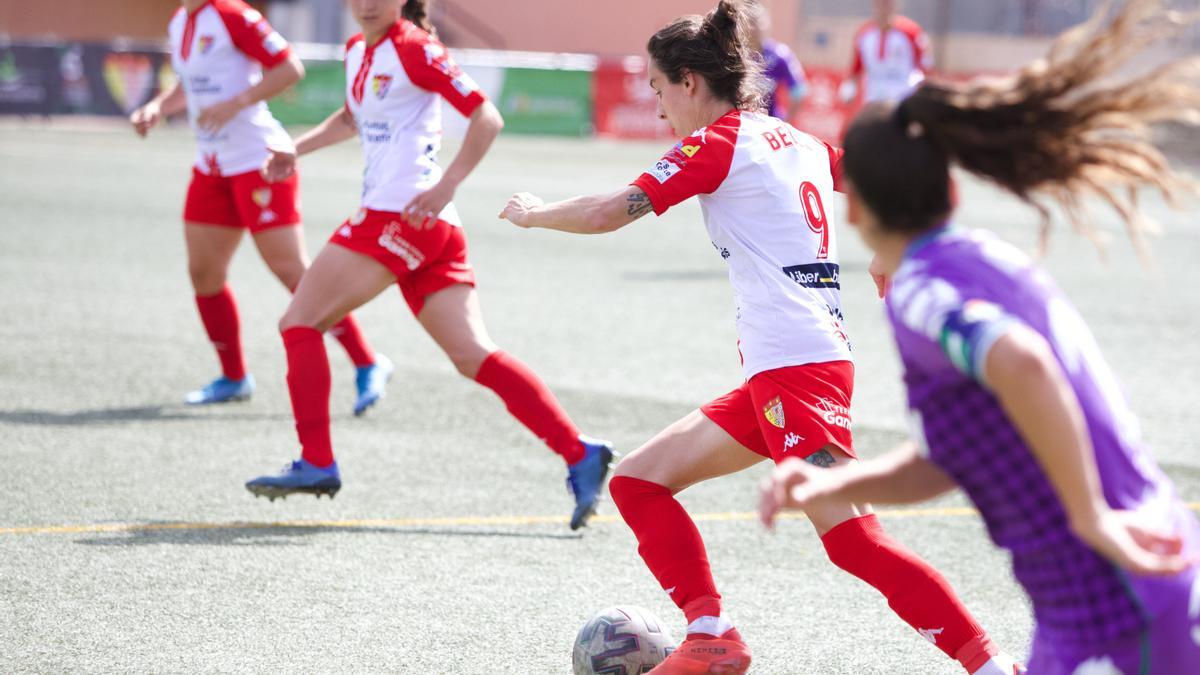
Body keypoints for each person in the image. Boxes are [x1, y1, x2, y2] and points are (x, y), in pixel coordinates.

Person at [500, 2, 1019, 672]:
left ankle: (991, 663)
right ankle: (712, 632)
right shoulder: (795, 141)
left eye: (660, 89)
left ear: (689, 81)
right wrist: (895, 246)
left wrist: (538, 213)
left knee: (854, 541)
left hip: (797, 368)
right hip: (786, 369)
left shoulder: (716, 146)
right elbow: (878, 177)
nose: (659, 110)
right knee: (638, 481)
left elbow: (608, 212)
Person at [759, 1, 1200, 671]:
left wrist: (1090, 516)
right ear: (950, 194)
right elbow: (953, 455)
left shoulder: (920, 292)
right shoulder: (986, 258)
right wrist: (826, 487)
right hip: (1110, 594)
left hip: (1117, 603)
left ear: (855, 207)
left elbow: (1021, 360)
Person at [243, 0, 613, 530]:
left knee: (299, 323)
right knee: (472, 356)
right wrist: (295, 150)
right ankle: (579, 452)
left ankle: (316, 461)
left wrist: (447, 184)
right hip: (428, 226)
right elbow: (353, 117)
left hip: (404, 214)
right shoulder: (357, 51)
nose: (368, 4)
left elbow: (487, 116)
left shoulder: (415, 48)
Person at [130, 0, 392, 414]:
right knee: (204, 274)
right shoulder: (181, 20)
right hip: (211, 166)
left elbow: (290, 68)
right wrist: (158, 107)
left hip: (260, 162)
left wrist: (236, 103)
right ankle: (234, 377)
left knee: (293, 273)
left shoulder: (233, 15)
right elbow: (189, 86)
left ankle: (367, 361)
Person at [838, 0, 930, 106]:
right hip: (874, 98)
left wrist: (919, 85)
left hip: (903, 97)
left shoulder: (912, 32)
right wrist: (849, 87)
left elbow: (925, 66)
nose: (884, 7)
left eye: (888, 3)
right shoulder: (864, 33)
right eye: (880, 3)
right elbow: (856, 68)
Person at [746, 1, 807, 122]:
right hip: (739, 125)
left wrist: (787, 123)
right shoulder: (734, 54)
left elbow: (799, 90)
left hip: (768, 124)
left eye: (758, 22)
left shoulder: (780, 55)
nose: (754, 28)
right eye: (750, 22)